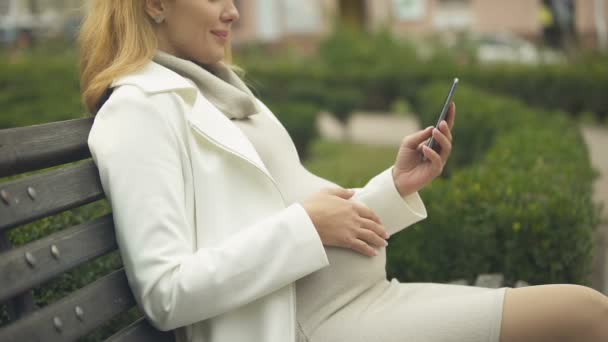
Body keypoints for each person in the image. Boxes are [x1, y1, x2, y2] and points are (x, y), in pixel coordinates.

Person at [80, 1, 608, 342]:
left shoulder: (223, 92)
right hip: (310, 327)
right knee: (584, 316)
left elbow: (303, 213)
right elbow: (167, 292)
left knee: (587, 314)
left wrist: (394, 187)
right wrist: (306, 227)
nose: (234, 11)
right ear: (152, 4)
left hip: (366, 301)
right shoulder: (139, 111)